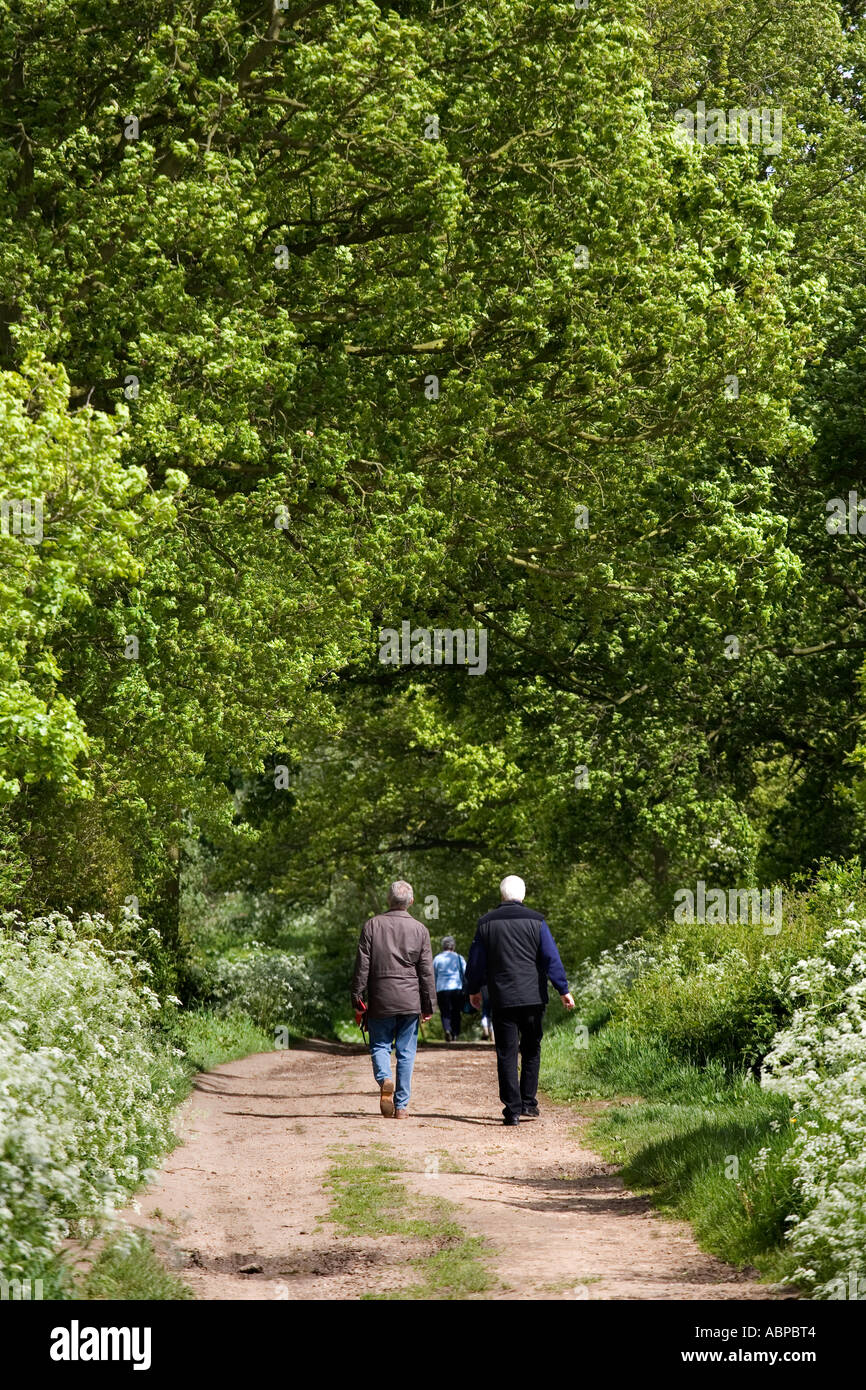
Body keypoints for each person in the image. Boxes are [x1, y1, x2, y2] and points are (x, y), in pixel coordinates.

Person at [465, 874, 574, 1125]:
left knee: (506, 1052)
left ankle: (512, 1110)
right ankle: (528, 1103)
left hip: (502, 998)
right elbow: (550, 957)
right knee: (531, 1048)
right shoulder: (537, 921)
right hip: (533, 997)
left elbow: (476, 962)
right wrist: (563, 989)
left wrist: (473, 989)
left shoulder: (485, 923)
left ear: (501, 895)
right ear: (522, 895)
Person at [351, 879, 435, 1118]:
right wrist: (428, 1005)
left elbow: (362, 967)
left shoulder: (372, 926)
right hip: (410, 1000)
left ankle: (385, 1078)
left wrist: (357, 998)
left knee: (379, 1045)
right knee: (406, 1053)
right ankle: (401, 1107)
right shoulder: (420, 930)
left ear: (388, 900)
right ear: (411, 902)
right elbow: (426, 972)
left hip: (380, 998)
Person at [432, 934, 466, 1042]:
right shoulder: (459, 958)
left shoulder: (437, 958)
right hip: (456, 987)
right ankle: (455, 1034)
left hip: (442, 988)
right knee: (456, 1011)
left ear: (443, 946)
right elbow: (465, 973)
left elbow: (433, 975)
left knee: (445, 1011)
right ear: (453, 946)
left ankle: (447, 1029)